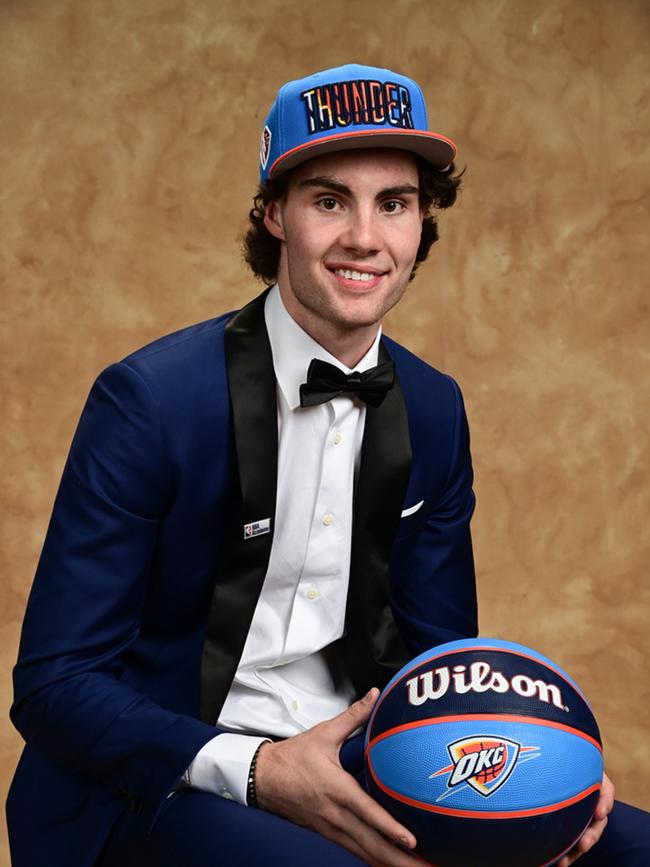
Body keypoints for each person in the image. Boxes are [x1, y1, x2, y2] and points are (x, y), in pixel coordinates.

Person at [6, 64, 648, 867]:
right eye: (329, 200)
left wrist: (538, 765)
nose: (364, 239)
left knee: (628, 845)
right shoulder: (149, 402)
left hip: (369, 762)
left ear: (422, 223)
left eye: (395, 204)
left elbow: (439, 658)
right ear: (275, 214)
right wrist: (261, 768)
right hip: (169, 780)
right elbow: (56, 683)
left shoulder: (435, 407)